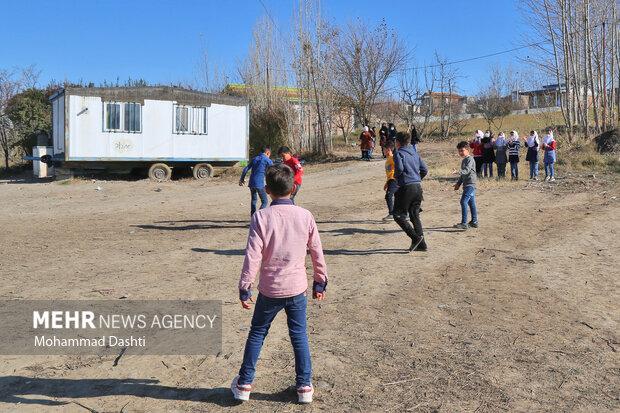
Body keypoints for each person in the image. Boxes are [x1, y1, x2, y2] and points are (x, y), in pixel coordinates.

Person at [232, 164, 328, 404]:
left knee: (257, 334)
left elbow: (252, 255)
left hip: (269, 289)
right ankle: (304, 387)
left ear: (267, 190)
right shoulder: (305, 216)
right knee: (299, 335)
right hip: (297, 288)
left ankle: (244, 384)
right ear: (294, 187)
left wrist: (245, 288)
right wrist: (320, 282)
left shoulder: (260, 217)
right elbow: (317, 251)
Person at [392, 131, 428, 252]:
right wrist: (416, 179)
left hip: (406, 188)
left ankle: (415, 237)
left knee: (397, 215)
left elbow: (400, 169)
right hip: (418, 187)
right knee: (414, 215)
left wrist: (397, 178)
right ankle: (422, 245)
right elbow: (424, 169)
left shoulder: (398, 153)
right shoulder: (414, 152)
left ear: (397, 142)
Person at [239, 146, 273, 215]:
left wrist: (242, 179)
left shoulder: (255, 158)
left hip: (251, 183)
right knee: (265, 201)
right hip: (259, 183)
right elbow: (273, 170)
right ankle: (258, 215)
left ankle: (252, 216)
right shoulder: (267, 160)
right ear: (268, 152)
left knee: (254, 200)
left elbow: (246, 169)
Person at [453, 141, 478, 229]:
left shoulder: (470, 159)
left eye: (462, 150)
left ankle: (464, 223)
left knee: (463, 201)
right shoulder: (464, 160)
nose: (460, 153)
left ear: (467, 150)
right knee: (471, 203)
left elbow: (466, 170)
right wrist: (458, 184)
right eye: (459, 151)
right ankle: (474, 221)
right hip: (467, 184)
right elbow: (463, 174)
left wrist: (458, 171)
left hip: (471, 184)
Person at [383, 141, 398, 221]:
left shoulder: (392, 158)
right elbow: (389, 172)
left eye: (384, 149)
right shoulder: (388, 159)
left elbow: (398, 166)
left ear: (388, 149)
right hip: (390, 180)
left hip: (394, 180)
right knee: (397, 197)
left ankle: (392, 214)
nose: (383, 151)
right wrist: (387, 183)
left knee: (389, 196)